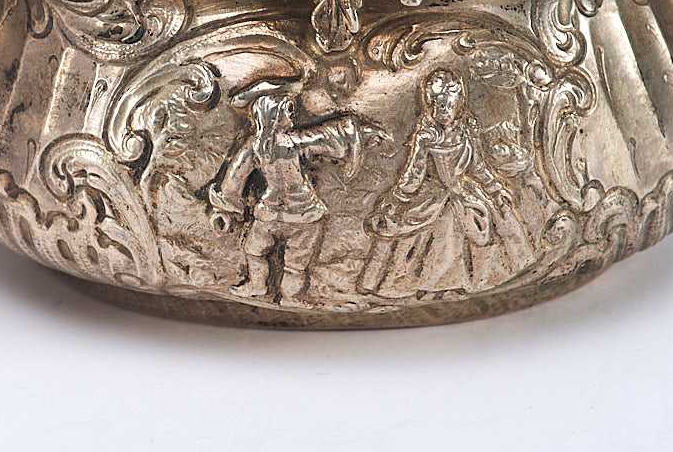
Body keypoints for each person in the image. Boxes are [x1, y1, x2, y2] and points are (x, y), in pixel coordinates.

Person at [358, 68, 535, 299]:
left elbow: (478, 166)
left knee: (487, 223)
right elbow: (414, 173)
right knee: (437, 228)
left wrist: (495, 189)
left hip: (464, 192)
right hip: (433, 196)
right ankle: (430, 286)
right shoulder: (426, 136)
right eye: (439, 105)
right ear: (430, 105)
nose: (443, 110)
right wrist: (396, 199)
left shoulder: (466, 130)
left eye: (448, 105)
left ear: (457, 104)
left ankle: (471, 281)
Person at [206, 77, 382, 305]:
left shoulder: (256, 147)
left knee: (256, 251)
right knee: (294, 264)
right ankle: (290, 297)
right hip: (303, 214)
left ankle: (259, 285)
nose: (292, 114)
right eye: (287, 109)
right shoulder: (295, 141)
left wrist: (224, 209)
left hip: (272, 212)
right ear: (275, 115)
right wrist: (355, 134)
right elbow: (329, 137)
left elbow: (234, 179)